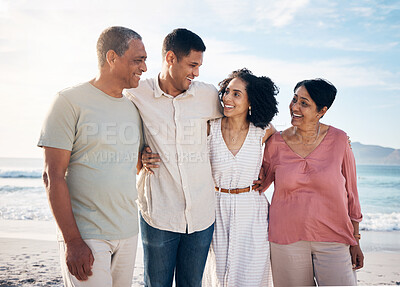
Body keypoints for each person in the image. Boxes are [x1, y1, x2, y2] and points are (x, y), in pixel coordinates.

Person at [37, 26, 147, 287]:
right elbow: (52, 175)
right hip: (86, 235)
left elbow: (135, 163)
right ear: (112, 58)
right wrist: (73, 241)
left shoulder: (134, 107)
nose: (144, 68)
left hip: (128, 233)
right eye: (137, 60)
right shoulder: (68, 101)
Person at [124, 28, 222, 287]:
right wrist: (139, 152)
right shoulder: (137, 92)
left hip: (201, 215)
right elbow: (114, 116)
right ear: (170, 58)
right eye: (192, 65)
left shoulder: (208, 95)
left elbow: (244, 120)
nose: (196, 73)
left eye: (199, 66)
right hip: (159, 213)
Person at [258, 78, 364, 286]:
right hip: (286, 240)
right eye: (294, 99)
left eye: (304, 103)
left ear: (321, 111)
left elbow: (352, 193)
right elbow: (258, 184)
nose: (294, 107)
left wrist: (356, 240)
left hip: (334, 239)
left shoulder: (340, 140)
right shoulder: (275, 142)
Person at [202, 68, 279, 287]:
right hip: (216, 209)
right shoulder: (210, 127)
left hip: (252, 211)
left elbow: (286, 151)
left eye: (236, 94)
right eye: (227, 92)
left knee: (252, 276)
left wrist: (268, 176)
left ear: (250, 101)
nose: (227, 98)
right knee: (218, 276)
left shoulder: (262, 130)